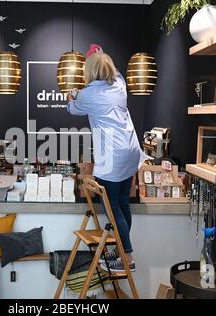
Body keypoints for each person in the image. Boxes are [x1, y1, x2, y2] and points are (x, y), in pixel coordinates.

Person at [66, 44, 148, 273]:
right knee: (122, 203)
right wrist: (100, 55)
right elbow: (115, 72)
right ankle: (120, 251)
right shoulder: (120, 85)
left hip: (113, 157)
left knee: (111, 208)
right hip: (131, 152)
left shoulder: (88, 94)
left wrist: (71, 95)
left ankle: (127, 258)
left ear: (89, 71)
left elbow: (72, 108)